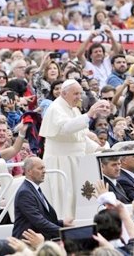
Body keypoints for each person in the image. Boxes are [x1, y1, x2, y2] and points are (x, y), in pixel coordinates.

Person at [39, 79, 110, 218]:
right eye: (75, 93)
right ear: (64, 93)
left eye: (80, 93)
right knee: (64, 199)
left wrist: (99, 149)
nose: (79, 97)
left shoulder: (75, 110)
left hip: (77, 161)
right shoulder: (56, 108)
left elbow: (80, 138)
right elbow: (66, 128)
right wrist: (89, 115)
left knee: (80, 198)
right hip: (61, 162)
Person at [12, 156, 72, 240]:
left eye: (44, 168)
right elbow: (39, 222)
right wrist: (65, 232)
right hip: (27, 243)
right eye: (40, 168)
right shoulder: (25, 193)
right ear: (29, 171)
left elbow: (44, 217)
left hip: (40, 238)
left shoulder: (34, 189)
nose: (44, 171)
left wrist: (61, 223)